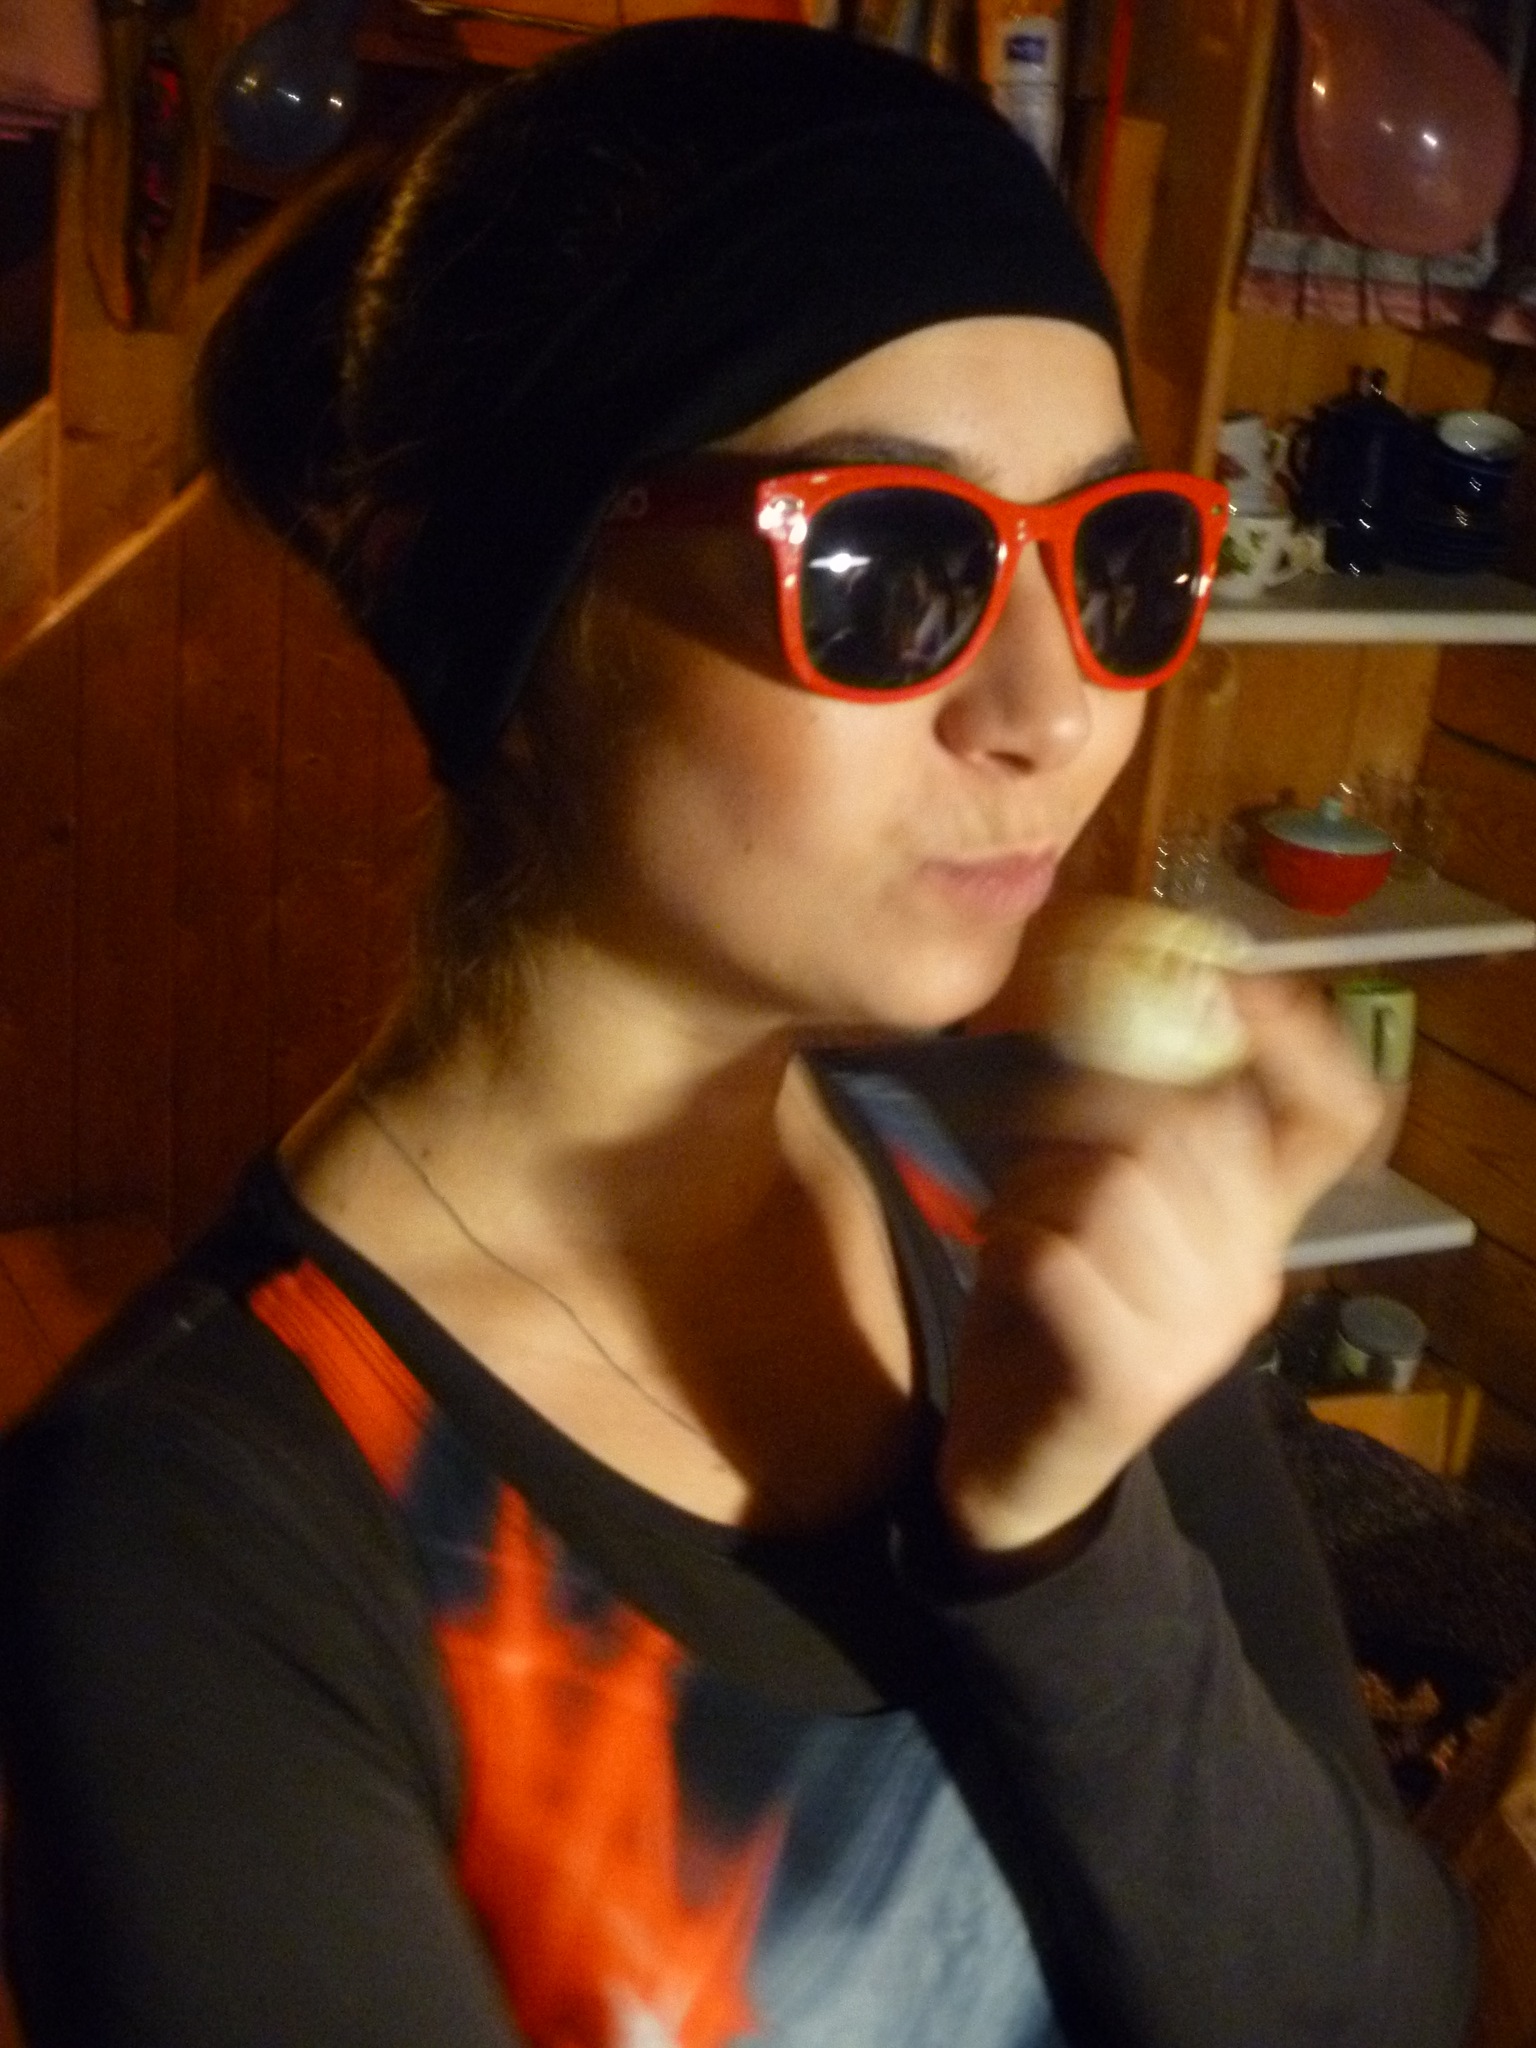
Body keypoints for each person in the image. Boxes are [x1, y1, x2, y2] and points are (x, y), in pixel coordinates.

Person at [0, 19, 1474, 2048]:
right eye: (886, 567)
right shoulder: (193, 1543)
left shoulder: (1034, 1188)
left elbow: (1375, 2010)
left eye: (1122, 557)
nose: (1056, 708)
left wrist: (1062, 1527)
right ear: (500, 615)